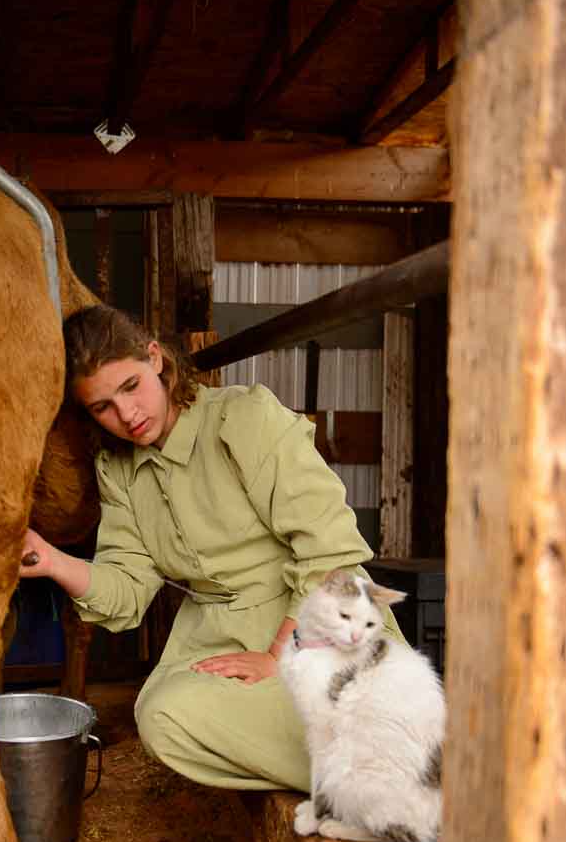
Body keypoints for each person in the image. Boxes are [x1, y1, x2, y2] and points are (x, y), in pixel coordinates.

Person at [21, 304, 401, 795]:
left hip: (314, 624)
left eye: (131, 387)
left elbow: (331, 556)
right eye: (103, 407)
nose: (127, 416)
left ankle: (383, 770)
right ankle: (363, 774)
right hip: (217, 638)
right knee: (161, 718)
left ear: (155, 358)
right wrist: (51, 561)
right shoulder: (117, 469)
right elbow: (128, 585)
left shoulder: (245, 418)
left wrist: (278, 655)